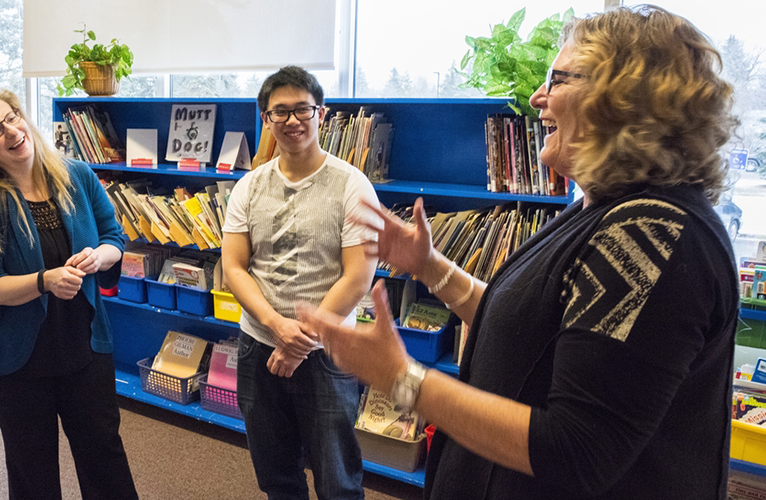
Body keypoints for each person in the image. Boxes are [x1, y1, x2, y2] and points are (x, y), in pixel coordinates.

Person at [300, 5, 738, 499]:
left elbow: (574, 450)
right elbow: (527, 329)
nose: (537, 98)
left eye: (557, 79)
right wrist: (429, 266)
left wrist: (403, 380)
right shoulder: (609, 207)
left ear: (621, 97)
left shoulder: (651, 234)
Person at [0, 89, 137, 500]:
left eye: (13, 117)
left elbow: (114, 237)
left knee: (104, 454)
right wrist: (43, 281)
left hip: (84, 345)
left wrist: (98, 256)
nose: (13, 130)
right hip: (14, 358)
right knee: (32, 467)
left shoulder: (77, 175)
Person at [222, 65, 380, 500]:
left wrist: (299, 341)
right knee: (276, 474)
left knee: (338, 478)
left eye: (302, 110)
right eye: (280, 112)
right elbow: (234, 267)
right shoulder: (249, 187)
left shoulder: (353, 185)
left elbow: (358, 277)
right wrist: (277, 327)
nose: (292, 121)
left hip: (328, 352)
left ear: (321, 114)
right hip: (259, 344)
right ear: (266, 119)